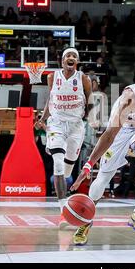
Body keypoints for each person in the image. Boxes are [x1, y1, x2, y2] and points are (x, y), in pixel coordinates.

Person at [70, 66, 135, 245]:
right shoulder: (129, 99)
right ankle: (85, 221)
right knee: (103, 178)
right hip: (122, 132)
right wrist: (88, 165)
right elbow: (109, 135)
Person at [35, 48, 93, 230]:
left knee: (67, 171)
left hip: (76, 125)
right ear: (62, 61)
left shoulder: (83, 78)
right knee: (58, 164)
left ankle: (54, 150)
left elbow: (90, 100)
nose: (71, 58)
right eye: (68, 55)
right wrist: (43, 119)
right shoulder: (52, 77)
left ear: (77, 62)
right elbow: (50, 101)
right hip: (57, 123)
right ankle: (63, 212)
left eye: (74, 56)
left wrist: (88, 115)